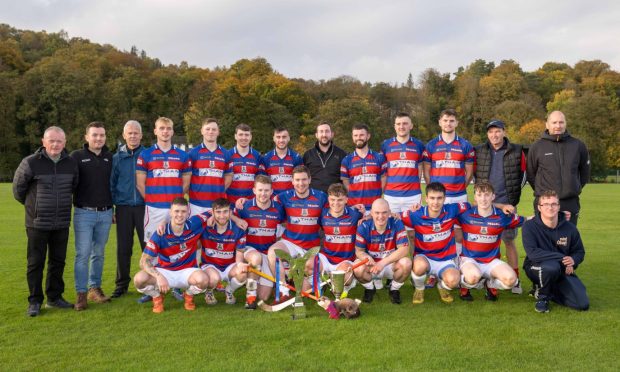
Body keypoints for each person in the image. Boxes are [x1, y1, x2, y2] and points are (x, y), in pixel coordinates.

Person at [13, 126, 79, 317]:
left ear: (65, 143)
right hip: (37, 223)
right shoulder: (30, 163)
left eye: (59, 141)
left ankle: (54, 297)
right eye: (51, 140)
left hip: (61, 222)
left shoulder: (71, 164)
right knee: (35, 262)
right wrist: (34, 207)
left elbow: (74, 186)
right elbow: (18, 191)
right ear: (43, 141)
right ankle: (34, 301)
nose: (55, 144)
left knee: (58, 261)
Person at [136, 117, 191, 303]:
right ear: (155, 131)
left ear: (172, 132)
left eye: (168, 128)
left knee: (175, 245)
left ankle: (175, 285)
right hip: (153, 209)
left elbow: (186, 182)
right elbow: (140, 183)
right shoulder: (146, 154)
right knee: (152, 247)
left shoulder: (182, 156)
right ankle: (151, 287)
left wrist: (175, 203)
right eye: (162, 128)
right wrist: (152, 201)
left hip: (175, 209)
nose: (165, 132)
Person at [474, 119, 526, 294]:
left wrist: (512, 199)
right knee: (484, 241)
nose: (494, 135)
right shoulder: (480, 150)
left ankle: (515, 278)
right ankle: (485, 277)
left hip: (507, 205)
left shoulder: (517, 151)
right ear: (487, 134)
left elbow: (524, 175)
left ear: (504, 132)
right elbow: (475, 174)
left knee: (509, 241)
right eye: (490, 132)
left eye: (497, 131)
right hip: (485, 204)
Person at [133, 197, 210, 313]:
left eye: (183, 211)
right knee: (139, 279)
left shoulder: (194, 223)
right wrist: (159, 276)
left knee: (203, 280)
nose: (180, 215)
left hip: (187, 271)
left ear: (188, 212)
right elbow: (143, 261)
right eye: (176, 211)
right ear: (170, 213)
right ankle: (156, 296)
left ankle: (188, 295)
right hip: (165, 271)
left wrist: (217, 217)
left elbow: (214, 211)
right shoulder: (160, 232)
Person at [266, 165, 328, 300]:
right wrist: (242, 202)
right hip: (290, 242)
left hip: (311, 247)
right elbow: (264, 202)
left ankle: (298, 274)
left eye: (304, 180)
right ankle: (283, 291)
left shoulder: (321, 197)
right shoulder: (284, 197)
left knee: (306, 290)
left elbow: (336, 210)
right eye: (298, 180)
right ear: (292, 181)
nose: (301, 183)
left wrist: (358, 210)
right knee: (273, 252)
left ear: (310, 180)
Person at [401, 182, 470, 304]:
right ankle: (419, 288)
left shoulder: (452, 210)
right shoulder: (416, 214)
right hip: (424, 257)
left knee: (454, 280)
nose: (435, 202)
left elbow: (471, 206)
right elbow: (393, 217)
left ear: (444, 198)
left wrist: (500, 207)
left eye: (439, 198)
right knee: (419, 267)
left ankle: (441, 287)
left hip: (445, 259)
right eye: (432, 198)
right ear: (426, 198)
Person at [70, 121, 114, 311]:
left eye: (102, 135)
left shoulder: (110, 157)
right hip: (83, 213)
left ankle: (94, 288)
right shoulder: (76, 157)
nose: (98, 138)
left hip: (105, 213)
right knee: (83, 254)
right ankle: (81, 293)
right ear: (86, 137)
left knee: (99, 253)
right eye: (94, 135)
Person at [522, 190, 589, 313]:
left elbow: (579, 251)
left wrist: (573, 261)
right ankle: (543, 297)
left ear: (559, 207)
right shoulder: (529, 226)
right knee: (551, 267)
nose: (550, 207)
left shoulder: (570, 228)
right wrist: (562, 258)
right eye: (546, 204)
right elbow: (533, 253)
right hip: (535, 266)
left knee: (582, 304)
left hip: (561, 269)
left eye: (553, 204)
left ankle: (551, 290)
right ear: (539, 207)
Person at [458, 182, 524, 302]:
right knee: (473, 277)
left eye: (487, 195)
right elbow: (442, 214)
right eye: (479, 195)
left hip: (491, 261)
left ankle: (490, 283)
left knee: (511, 281)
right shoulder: (465, 215)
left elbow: (527, 220)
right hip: (469, 259)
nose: (483, 199)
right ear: (475, 197)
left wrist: (555, 216)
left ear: (493, 196)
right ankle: (464, 284)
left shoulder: (501, 216)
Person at [423, 108, 475, 259]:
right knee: (437, 233)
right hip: (437, 198)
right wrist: (433, 191)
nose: (448, 123)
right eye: (445, 120)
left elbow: (469, 172)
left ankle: (458, 265)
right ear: (440, 122)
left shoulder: (465, 145)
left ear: (456, 123)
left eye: (452, 120)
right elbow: (427, 172)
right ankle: (436, 268)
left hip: (458, 196)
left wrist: (459, 188)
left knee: (458, 234)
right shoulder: (431, 145)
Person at [526, 111, 590, 225]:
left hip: (570, 203)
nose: (558, 126)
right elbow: (531, 174)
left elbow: (585, 173)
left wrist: (573, 187)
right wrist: (544, 194)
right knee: (544, 240)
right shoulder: (537, 147)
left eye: (561, 122)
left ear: (565, 124)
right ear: (547, 124)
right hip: (545, 203)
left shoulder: (578, 145)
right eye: (554, 122)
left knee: (567, 241)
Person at [233, 175, 286, 305]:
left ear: (272, 191)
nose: (263, 194)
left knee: (263, 297)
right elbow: (229, 215)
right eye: (260, 190)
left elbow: (281, 231)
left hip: (268, 252)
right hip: (250, 249)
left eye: (266, 190)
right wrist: (237, 219)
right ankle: (250, 298)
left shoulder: (279, 208)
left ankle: (260, 280)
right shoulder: (244, 206)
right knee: (256, 258)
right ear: (254, 190)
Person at [110, 120, 146, 299]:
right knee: (123, 247)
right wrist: (112, 207)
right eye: (129, 133)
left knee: (148, 247)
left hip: (144, 208)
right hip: (123, 208)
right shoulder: (116, 158)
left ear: (141, 135)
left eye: (136, 133)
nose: (133, 136)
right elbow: (111, 184)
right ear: (124, 135)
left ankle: (151, 283)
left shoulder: (147, 155)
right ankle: (121, 285)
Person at [353, 198, 412, 304]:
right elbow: (359, 251)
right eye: (377, 213)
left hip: (390, 264)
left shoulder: (397, 223)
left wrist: (382, 263)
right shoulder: (363, 226)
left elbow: (404, 249)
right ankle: (370, 288)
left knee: (406, 263)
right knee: (357, 268)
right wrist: (367, 258)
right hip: (372, 266)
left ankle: (394, 289)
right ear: (371, 213)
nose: (380, 217)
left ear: (389, 212)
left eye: (384, 212)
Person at [381, 112, 426, 247]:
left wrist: (416, 190)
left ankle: (415, 264)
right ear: (395, 126)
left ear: (411, 126)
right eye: (399, 124)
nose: (402, 126)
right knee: (391, 232)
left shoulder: (418, 145)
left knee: (413, 234)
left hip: (412, 196)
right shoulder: (386, 145)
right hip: (391, 196)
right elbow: (384, 171)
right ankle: (394, 265)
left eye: (405, 123)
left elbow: (420, 169)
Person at [312, 183, 364, 297]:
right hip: (326, 257)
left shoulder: (355, 215)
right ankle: (322, 281)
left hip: (345, 260)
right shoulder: (322, 214)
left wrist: (366, 216)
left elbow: (372, 217)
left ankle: (345, 283)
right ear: (328, 199)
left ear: (346, 200)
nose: (336, 203)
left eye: (340, 200)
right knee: (308, 264)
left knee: (344, 279)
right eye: (333, 199)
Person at [200, 198, 250, 306]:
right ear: (212, 213)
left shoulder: (238, 229)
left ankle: (229, 290)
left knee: (243, 273)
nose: (222, 216)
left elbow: (240, 252)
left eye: (225, 212)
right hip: (210, 265)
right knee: (214, 279)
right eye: (218, 212)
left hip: (229, 266)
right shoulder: (204, 227)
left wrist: (240, 264)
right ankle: (209, 292)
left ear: (230, 212)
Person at [340, 123, 386, 211]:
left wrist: (377, 196)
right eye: (355, 135)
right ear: (352, 137)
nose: (358, 138)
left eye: (361, 135)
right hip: (354, 208)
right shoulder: (346, 160)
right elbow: (346, 184)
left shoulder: (379, 157)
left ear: (368, 136)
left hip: (375, 208)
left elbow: (384, 178)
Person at [188, 118, 229, 216]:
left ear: (218, 132)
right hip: (196, 205)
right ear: (202, 131)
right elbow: (187, 177)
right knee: (196, 231)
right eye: (207, 129)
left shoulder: (225, 153)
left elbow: (229, 175)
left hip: (218, 205)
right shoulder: (193, 153)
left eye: (214, 129)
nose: (211, 132)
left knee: (216, 231)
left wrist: (220, 191)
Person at [302, 121, 347, 194]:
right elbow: (303, 178)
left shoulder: (342, 154)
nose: (324, 134)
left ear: (332, 134)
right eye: (321, 132)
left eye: (327, 131)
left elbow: (346, 180)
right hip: (313, 199)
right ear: (316, 135)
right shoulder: (307, 155)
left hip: (335, 200)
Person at [224, 123, 263, 204]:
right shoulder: (227, 155)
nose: (244, 138)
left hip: (251, 202)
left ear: (251, 137)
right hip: (230, 202)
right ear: (235, 136)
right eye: (241, 134)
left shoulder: (257, 156)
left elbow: (260, 180)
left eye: (246, 135)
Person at [261, 127, 303, 195]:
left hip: (290, 199)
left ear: (288, 138)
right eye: (278, 137)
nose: (281, 140)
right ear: (274, 139)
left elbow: (300, 180)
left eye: (284, 137)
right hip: (272, 199)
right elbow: (262, 181)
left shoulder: (296, 158)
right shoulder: (266, 158)